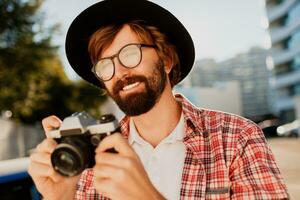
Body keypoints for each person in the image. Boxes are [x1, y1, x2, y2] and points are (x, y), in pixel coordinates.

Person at [28, 0, 289, 199]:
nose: (120, 72)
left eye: (130, 54)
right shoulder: (90, 156)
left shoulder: (237, 138)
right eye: (105, 66)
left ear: (166, 59)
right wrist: (60, 196)